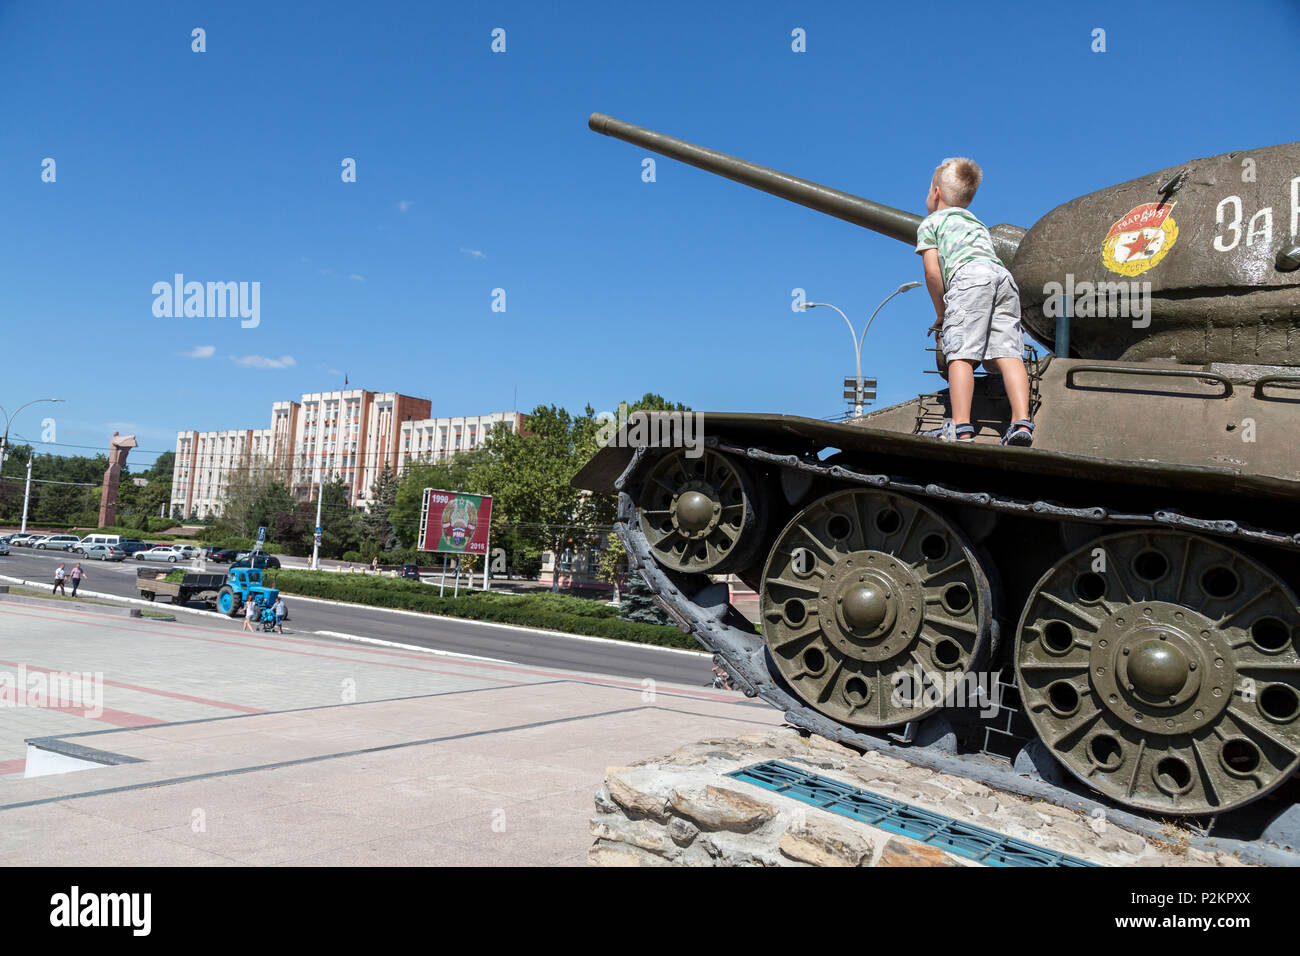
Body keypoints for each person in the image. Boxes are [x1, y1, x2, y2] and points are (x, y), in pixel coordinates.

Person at [916, 157, 1034, 446]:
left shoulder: (931, 223)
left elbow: (932, 273)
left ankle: (961, 426)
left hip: (969, 279)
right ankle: (1022, 423)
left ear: (936, 192)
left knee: (961, 354)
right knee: (1009, 354)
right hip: (1002, 279)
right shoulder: (976, 223)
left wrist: (942, 313)